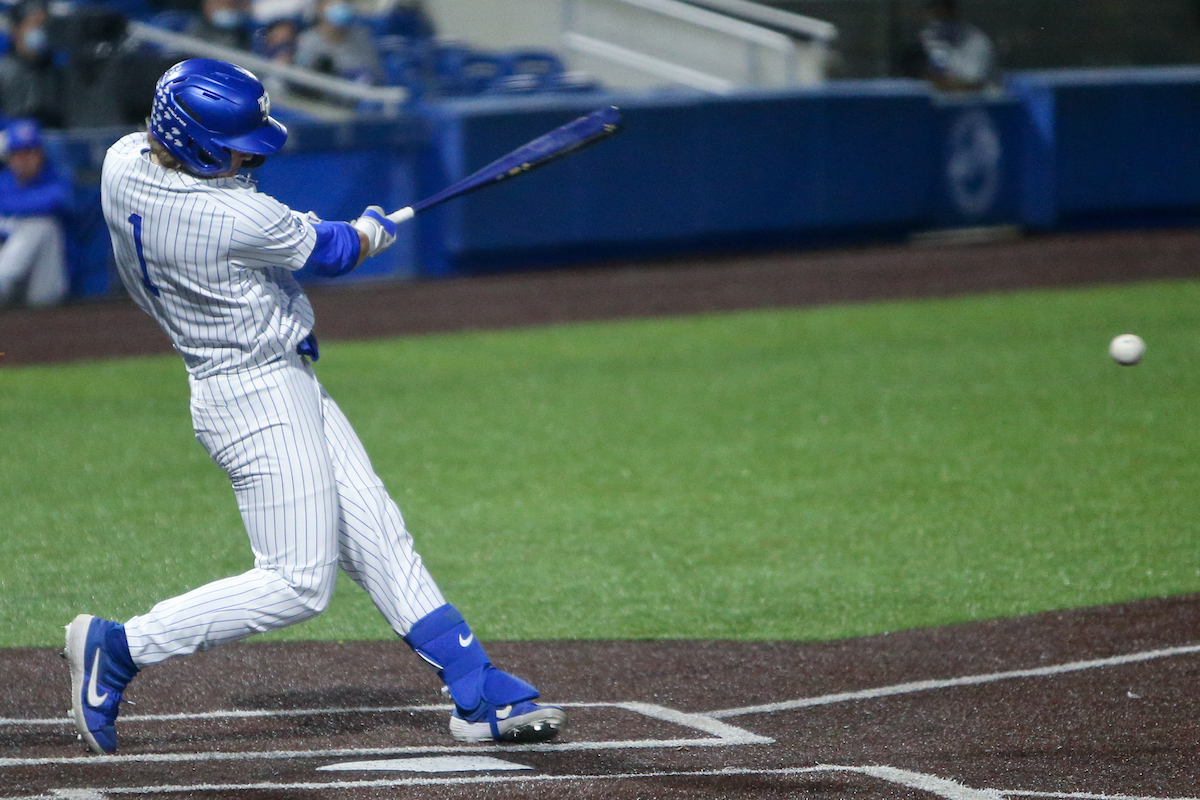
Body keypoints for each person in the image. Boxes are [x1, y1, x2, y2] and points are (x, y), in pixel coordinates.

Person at [66, 58, 566, 755]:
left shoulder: (123, 162)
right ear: (197, 144)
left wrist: (360, 229)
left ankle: (474, 685)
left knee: (378, 533)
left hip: (274, 381)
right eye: (239, 144)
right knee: (298, 583)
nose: (251, 155)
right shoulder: (232, 215)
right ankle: (121, 648)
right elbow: (333, 252)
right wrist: (373, 229)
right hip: (252, 396)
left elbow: (318, 241)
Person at [0, 118, 71, 308]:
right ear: (9, 157)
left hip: (46, 285)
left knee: (42, 226)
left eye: (30, 152)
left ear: (41, 154)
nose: (24, 159)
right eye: (18, 153)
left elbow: (56, 201)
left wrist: (8, 207)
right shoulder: (4, 183)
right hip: (10, 279)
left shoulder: (57, 181)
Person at [0, 0, 66, 127]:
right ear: (16, 29)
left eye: (44, 25)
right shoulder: (3, 70)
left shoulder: (57, 68)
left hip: (53, 141)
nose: (40, 31)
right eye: (35, 24)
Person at [912, 0, 995, 92]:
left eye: (946, 11)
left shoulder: (976, 40)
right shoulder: (924, 40)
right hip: (933, 102)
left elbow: (974, 84)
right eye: (936, 11)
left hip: (974, 103)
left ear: (955, 11)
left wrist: (940, 83)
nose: (941, 16)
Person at [294, 0, 384, 85]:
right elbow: (300, 77)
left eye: (344, 2)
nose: (340, 5)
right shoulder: (308, 40)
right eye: (333, 2)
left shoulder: (361, 38)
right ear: (320, 7)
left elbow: (376, 75)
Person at [185, 0, 254, 51]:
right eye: (221, 3)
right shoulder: (190, 28)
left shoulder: (245, 37)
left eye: (232, 5)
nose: (226, 7)